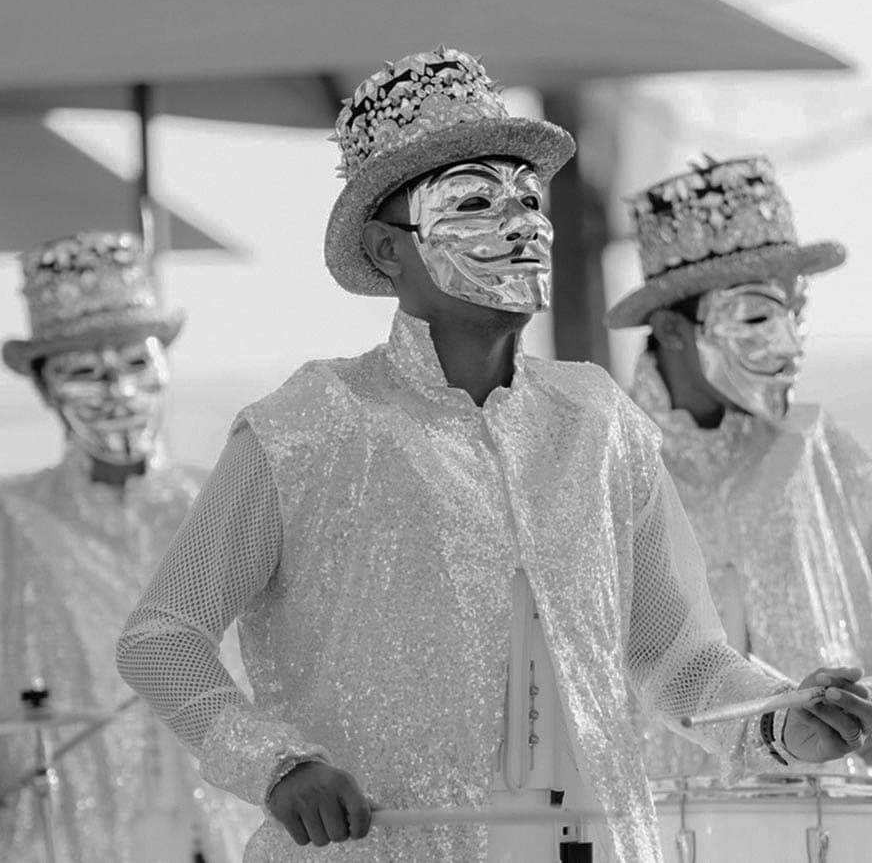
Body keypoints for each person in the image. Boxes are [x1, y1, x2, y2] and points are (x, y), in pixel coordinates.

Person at [117, 50, 872, 863]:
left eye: (529, 198)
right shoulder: (306, 427)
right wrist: (276, 766)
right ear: (386, 250)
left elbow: (676, 657)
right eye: (474, 201)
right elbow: (162, 636)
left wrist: (784, 722)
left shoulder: (597, 421)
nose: (522, 226)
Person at [606, 154, 872, 779]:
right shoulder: (607, 459)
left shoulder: (823, 452)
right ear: (672, 329)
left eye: (795, 315)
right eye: (756, 317)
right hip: (656, 807)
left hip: (824, 807)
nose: (789, 346)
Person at [0, 231, 257, 863]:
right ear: (46, 388)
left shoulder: (224, 498)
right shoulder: (11, 514)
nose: (118, 391)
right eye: (85, 373)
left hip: (227, 817)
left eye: (135, 364)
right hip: (65, 819)